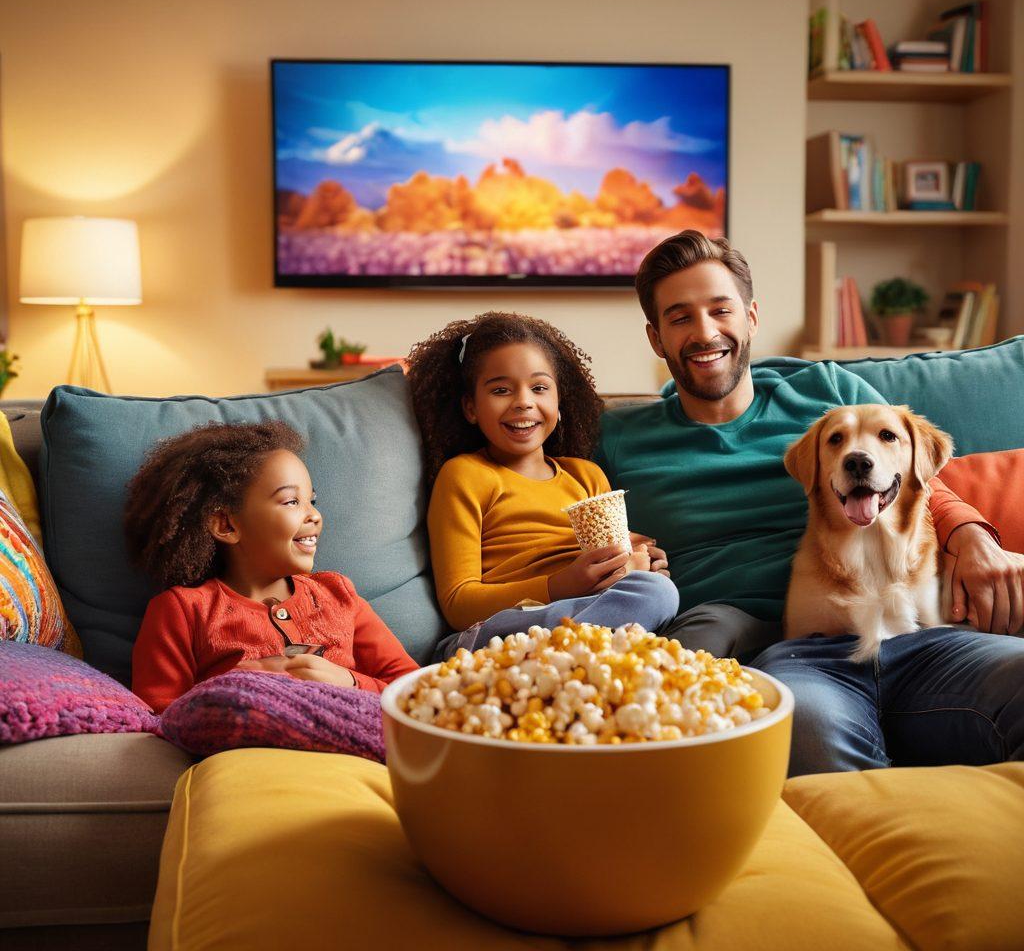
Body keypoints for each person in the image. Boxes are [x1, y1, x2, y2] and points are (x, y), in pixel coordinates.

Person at [596, 229, 1024, 775]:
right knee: (812, 735)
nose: (705, 332)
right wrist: (618, 550)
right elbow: (547, 499)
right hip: (780, 653)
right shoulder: (618, 435)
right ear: (656, 339)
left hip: (911, 629)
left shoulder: (827, 390)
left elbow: (912, 473)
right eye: (680, 318)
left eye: (720, 310)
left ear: (751, 317)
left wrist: (971, 534)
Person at [406, 311, 679, 659]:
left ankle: (567, 663)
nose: (523, 401)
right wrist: (561, 585)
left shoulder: (586, 475)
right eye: (501, 390)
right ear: (471, 407)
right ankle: (575, 655)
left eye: (539, 388)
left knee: (656, 589)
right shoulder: (464, 475)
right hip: (495, 630)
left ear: (559, 402)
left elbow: (607, 567)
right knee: (656, 598)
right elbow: (458, 604)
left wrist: (635, 561)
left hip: (583, 610)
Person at [126, 421, 418, 713]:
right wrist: (233, 689)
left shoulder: (340, 596)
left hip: (350, 750)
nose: (314, 515)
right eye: (292, 501)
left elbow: (414, 688)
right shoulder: (183, 611)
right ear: (226, 524)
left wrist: (350, 683)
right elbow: (157, 717)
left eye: (311, 501)